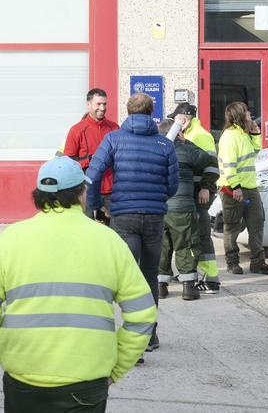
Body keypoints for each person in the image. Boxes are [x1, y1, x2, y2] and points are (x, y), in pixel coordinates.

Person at [0, 156, 158, 412]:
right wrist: (117, 366)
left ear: (39, 194)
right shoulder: (108, 241)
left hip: (23, 378)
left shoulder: (10, 239)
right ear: (81, 193)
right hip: (86, 382)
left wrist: (6, 353)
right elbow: (143, 314)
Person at [86, 93, 178, 353]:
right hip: (154, 216)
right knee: (149, 276)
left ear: (128, 111)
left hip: (123, 214)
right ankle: (148, 335)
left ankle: (127, 334)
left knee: (125, 277)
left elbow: (92, 176)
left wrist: (96, 206)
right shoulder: (164, 144)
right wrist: (156, 198)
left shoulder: (113, 139)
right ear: (151, 113)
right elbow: (172, 186)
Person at [156, 119, 220, 301]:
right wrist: (206, 186)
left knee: (162, 246)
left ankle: (160, 287)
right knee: (186, 246)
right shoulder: (186, 150)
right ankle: (189, 288)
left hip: (159, 207)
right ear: (180, 134)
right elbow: (212, 164)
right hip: (182, 208)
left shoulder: (154, 151)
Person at [217, 101, 268, 275]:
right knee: (232, 226)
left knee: (257, 222)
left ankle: (258, 263)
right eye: (246, 112)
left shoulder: (243, 133)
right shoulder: (230, 136)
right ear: (239, 115)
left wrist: (256, 134)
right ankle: (232, 262)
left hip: (250, 187)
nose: (250, 115)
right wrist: (236, 187)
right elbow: (229, 165)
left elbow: (254, 153)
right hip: (232, 189)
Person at [63, 88, 120, 221]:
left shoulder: (115, 128)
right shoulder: (76, 130)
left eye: (104, 104)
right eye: (98, 104)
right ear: (88, 104)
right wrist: (90, 160)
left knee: (111, 233)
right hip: (86, 191)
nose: (102, 108)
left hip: (110, 191)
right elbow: (67, 162)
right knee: (86, 233)